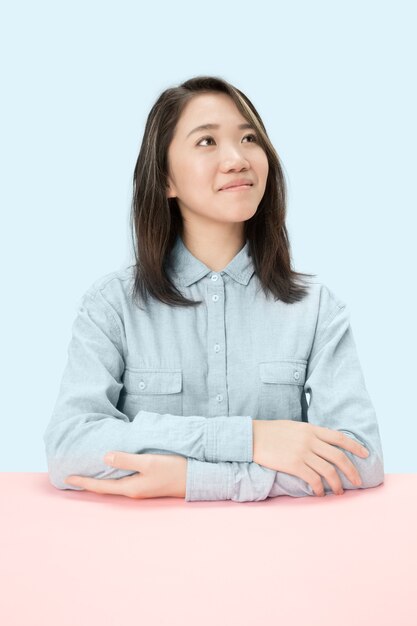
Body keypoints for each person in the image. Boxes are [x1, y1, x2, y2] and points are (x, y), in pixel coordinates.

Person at [43, 75, 385, 502]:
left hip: (283, 554)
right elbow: (70, 447)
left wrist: (188, 479)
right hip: (141, 555)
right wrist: (254, 439)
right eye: (207, 141)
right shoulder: (112, 305)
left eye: (248, 138)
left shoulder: (316, 309)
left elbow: (361, 459)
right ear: (166, 179)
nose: (237, 159)